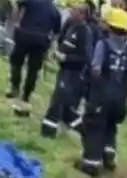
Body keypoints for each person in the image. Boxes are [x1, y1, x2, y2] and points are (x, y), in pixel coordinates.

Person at [75, 7, 127, 177]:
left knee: (94, 126)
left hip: (101, 96)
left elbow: (95, 69)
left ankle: (91, 163)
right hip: (120, 100)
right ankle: (109, 155)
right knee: (111, 125)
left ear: (109, 28)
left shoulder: (102, 45)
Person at [40, 0, 94, 137]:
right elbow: (64, 43)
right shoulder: (71, 25)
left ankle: (47, 132)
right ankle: (85, 131)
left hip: (74, 74)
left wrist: (66, 58)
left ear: (82, 15)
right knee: (67, 106)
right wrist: (57, 53)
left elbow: (86, 58)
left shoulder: (85, 32)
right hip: (64, 71)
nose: (70, 12)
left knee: (58, 101)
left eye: (74, 11)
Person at [4, 0, 62, 115]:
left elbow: (17, 4)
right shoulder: (55, 11)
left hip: (25, 35)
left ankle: (15, 86)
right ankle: (26, 96)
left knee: (16, 61)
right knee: (33, 70)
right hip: (41, 41)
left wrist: (15, 22)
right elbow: (56, 33)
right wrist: (50, 48)